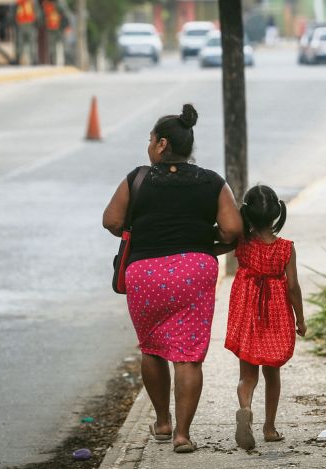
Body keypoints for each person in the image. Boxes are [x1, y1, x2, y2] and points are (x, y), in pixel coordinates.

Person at [102, 104, 243, 453]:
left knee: (152, 349)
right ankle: (182, 435)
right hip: (194, 272)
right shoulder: (212, 181)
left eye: (151, 140)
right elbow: (233, 230)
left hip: (145, 274)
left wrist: (140, 231)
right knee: (188, 355)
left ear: (162, 144)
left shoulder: (137, 178)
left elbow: (111, 221)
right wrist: (206, 244)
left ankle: (162, 422)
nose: (149, 146)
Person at [221, 185, 307, 451]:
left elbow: (221, 235)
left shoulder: (243, 243)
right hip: (275, 315)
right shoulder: (286, 248)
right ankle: (269, 428)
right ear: (277, 212)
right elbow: (292, 287)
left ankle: (245, 408)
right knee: (272, 373)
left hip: (247, 314)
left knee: (247, 376)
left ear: (246, 213)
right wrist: (300, 318)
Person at [41, 0, 68, 65]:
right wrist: (65, 25)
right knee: (62, 44)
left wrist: (44, 25)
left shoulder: (46, 5)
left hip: (50, 28)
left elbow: (43, 16)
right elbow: (65, 15)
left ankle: (53, 62)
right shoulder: (60, 5)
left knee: (52, 46)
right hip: (59, 28)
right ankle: (65, 61)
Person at [13, 0, 38, 65]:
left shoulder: (18, 1)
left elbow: (13, 12)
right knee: (31, 42)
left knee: (20, 42)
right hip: (30, 23)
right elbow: (36, 12)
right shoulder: (31, 1)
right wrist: (36, 23)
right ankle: (34, 59)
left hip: (21, 24)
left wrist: (14, 22)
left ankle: (18, 59)